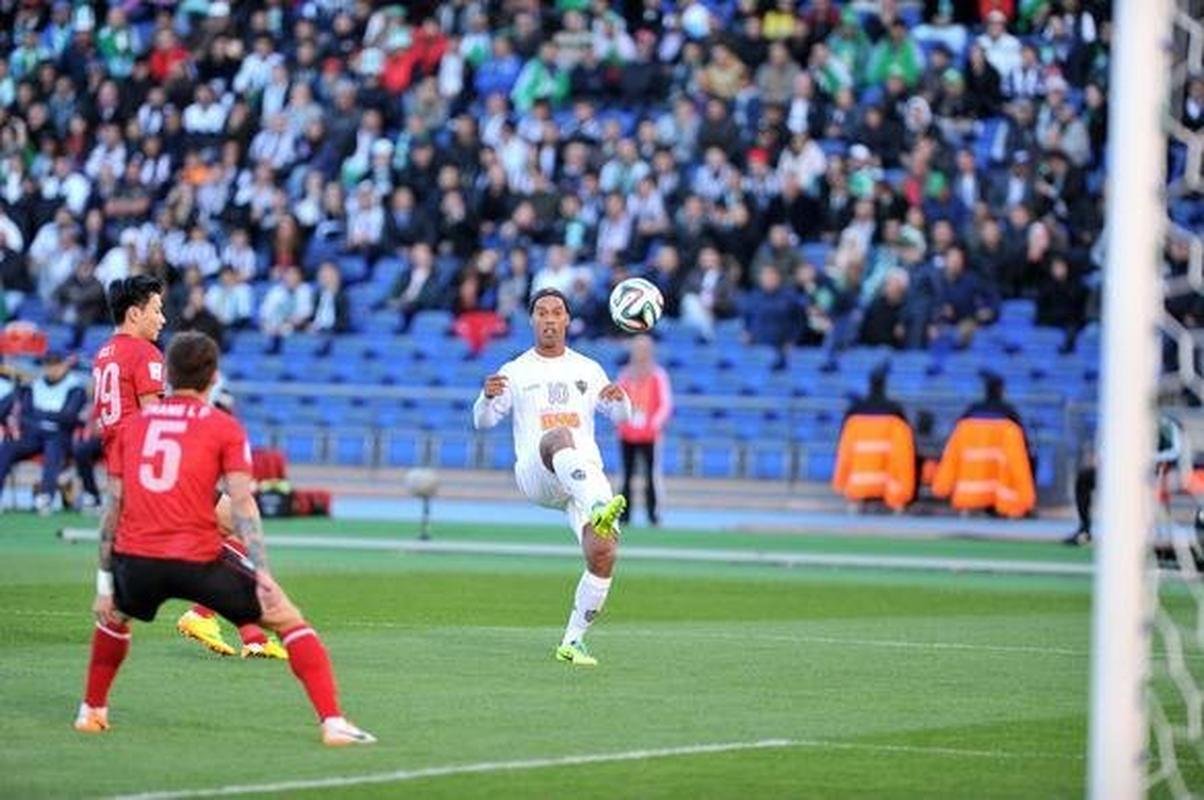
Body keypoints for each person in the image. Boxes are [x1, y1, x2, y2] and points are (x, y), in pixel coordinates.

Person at [73, 332, 375, 746]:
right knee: (288, 619)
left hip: (139, 559)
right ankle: (333, 723)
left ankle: (92, 712)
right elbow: (244, 507)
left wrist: (105, 583)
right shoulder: (224, 428)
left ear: (169, 376)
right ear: (213, 377)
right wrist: (263, 572)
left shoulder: (134, 428)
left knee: (113, 619)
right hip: (199, 561)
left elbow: (113, 509)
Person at [93, 276, 280, 659]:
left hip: (124, 471)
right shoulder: (144, 354)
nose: (163, 319)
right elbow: (156, 421)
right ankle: (216, 617)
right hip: (154, 470)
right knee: (240, 522)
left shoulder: (105, 353)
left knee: (215, 537)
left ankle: (249, 635)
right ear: (134, 313)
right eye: (156, 310)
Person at [472, 288, 630, 666]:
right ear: (532, 321)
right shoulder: (515, 370)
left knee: (603, 552)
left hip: (582, 472)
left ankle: (572, 643)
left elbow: (623, 419)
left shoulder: (589, 370)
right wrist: (484, 397)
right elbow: (483, 422)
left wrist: (620, 399)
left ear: (567, 321)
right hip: (537, 471)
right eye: (541, 312)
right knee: (558, 435)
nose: (548, 318)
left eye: (556, 312)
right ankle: (599, 506)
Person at [0, 351, 87, 514]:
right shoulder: (35, 385)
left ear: (64, 365)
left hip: (61, 436)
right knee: (7, 447)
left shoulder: (75, 387)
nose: (51, 369)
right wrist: (48, 417)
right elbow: (25, 415)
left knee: (53, 447)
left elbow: (69, 417)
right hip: (34, 434)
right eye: (48, 365)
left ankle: (45, 497)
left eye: (55, 364)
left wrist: (41, 415)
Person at [616, 335, 673, 527]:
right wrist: (622, 422)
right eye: (637, 349)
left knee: (652, 475)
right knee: (626, 475)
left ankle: (653, 514)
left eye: (644, 349)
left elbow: (666, 404)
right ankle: (624, 515)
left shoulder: (659, 375)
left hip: (650, 435)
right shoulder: (625, 375)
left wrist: (654, 424)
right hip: (627, 434)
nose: (640, 354)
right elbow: (617, 402)